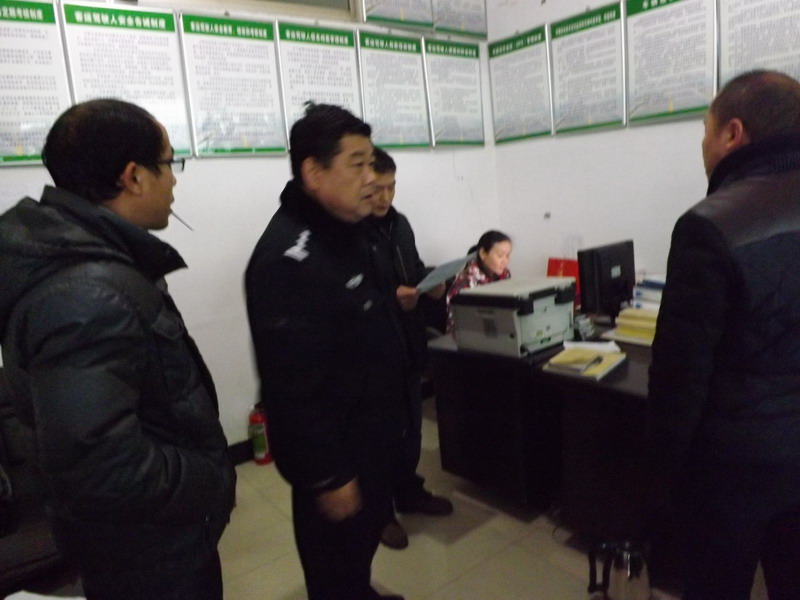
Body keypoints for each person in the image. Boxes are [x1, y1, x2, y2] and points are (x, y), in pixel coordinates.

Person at [0, 99, 236, 600]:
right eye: (169, 163)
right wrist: (210, 477)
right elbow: (102, 469)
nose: (174, 181)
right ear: (134, 177)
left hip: (143, 536)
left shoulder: (85, 257)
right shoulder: (86, 293)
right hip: (148, 552)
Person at [647, 70, 800, 600]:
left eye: (705, 131)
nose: (703, 146)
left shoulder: (710, 224)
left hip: (732, 470)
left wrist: (661, 480)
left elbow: (679, 379)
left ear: (732, 133)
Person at [245, 104, 406, 600]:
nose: (370, 177)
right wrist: (328, 475)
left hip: (373, 433)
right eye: (357, 164)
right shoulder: (289, 259)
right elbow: (291, 389)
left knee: (358, 554)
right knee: (334, 565)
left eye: (371, 163)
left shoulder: (350, 227)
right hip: (341, 452)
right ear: (314, 172)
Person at [367, 148, 453, 551]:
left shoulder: (400, 224)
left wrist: (432, 285)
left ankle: (409, 493)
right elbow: (353, 299)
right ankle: (380, 512)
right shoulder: (351, 232)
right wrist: (393, 299)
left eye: (392, 187)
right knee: (381, 437)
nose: (385, 197)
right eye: (378, 188)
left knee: (411, 430)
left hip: (409, 343)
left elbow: (413, 270)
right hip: (377, 351)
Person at [446, 230, 512, 332]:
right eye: (500, 255)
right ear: (483, 254)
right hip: (469, 333)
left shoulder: (504, 274)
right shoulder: (465, 282)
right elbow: (458, 321)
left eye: (507, 255)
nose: (505, 261)